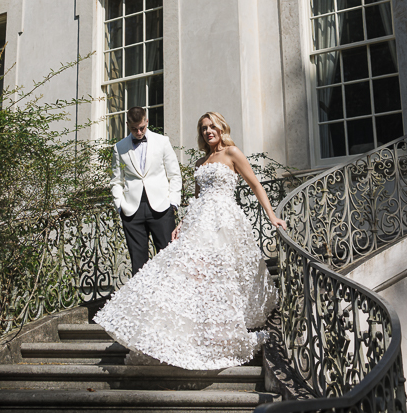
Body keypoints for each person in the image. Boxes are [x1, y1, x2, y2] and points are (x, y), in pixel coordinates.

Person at [96, 111, 286, 370]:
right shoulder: (200, 163)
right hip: (199, 224)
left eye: (212, 127)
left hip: (225, 223)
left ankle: (225, 333)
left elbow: (256, 185)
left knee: (223, 277)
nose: (208, 131)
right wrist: (182, 225)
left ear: (221, 128)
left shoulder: (232, 154)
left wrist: (272, 216)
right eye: (204, 128)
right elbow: (196, 200)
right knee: (191, 276)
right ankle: (194, 333)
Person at [110, 106, 182, 276]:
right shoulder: (119, 147)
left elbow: (174, 174)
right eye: (134, 129)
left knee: (169, 259)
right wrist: (120, 206)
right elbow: (116, 181)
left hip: (162, 208)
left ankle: (169, 300)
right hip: (132, 211)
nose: (139, 132)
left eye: (142, 127)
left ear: (147, 121)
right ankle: (141, 302)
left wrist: (173, 203)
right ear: (127, 125)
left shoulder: (162, 141)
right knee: (138, 264)